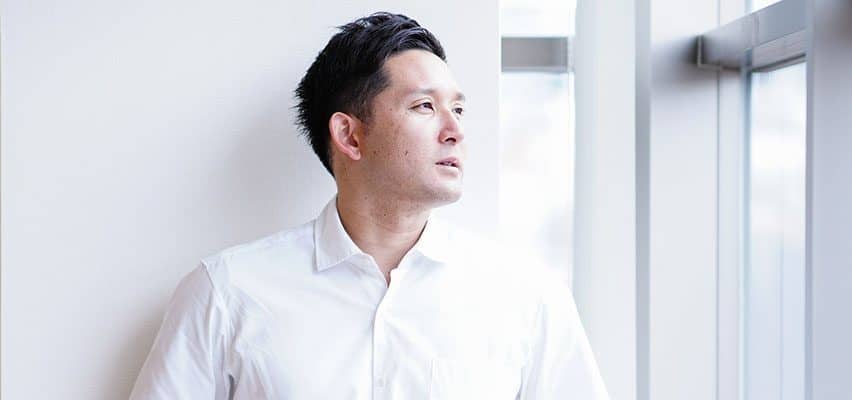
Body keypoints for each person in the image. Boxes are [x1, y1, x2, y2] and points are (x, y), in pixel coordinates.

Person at [129, 12, 609, 399]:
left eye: (458, 109)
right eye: (425, 107)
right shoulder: (226, 293)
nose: (455, 131)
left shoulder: (526, 299)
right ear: (350, 135)